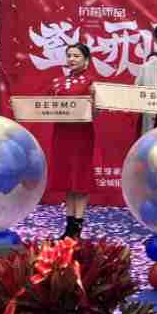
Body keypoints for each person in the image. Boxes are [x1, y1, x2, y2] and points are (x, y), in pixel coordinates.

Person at [48, 44, 97, 239]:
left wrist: (95, 102)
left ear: (86, 60)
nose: (72, 59)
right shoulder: (57, 82)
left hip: (82, 135)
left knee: (80, 179)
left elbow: (97, 112)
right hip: (62, 134)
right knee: (67, 180)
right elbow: (45, 107)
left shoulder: (92, 83)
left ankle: (77, 227)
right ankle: (68, 228)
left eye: (77, 56)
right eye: (69, 55)